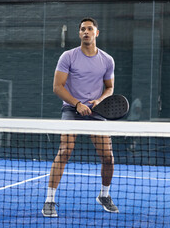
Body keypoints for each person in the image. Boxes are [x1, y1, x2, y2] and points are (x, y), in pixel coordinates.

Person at [42, 18, 119, 218]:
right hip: (71, 110)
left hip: (96, 111)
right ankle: (49, 200)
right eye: (83, 29)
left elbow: (109, 88)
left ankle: (104, 195)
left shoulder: (107, 60)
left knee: (108, 158)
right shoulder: (68, 57)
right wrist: (77, 104)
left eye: (90, 29)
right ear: (79, 34)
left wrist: (99, 100)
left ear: (97, 33)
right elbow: (57, 87)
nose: (86, 32)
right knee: (65, 151)